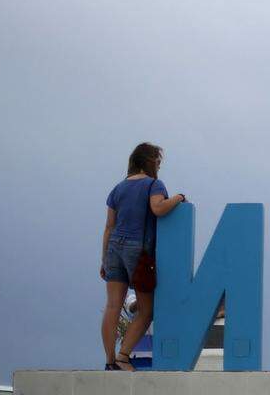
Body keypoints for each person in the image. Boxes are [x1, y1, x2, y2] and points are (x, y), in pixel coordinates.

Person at [100, 142, 187, 371]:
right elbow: (158, 208)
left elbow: (109, 226)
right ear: (149, 161)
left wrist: (104, 260)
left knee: (112, 307)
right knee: (147, 310)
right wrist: (178, 197)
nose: (159, 165)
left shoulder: (117, 189)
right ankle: (123, 357)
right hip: (137, 250)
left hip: (114, 248)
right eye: (158, 161)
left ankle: (110, 361)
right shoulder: (154, 184)